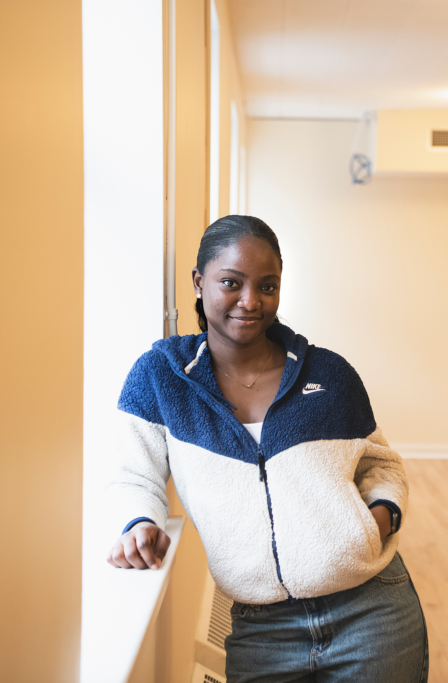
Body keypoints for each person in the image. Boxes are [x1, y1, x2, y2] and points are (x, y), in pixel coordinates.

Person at [105, 216, 428, 682]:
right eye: (231, 283)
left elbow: (381, 464)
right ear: (198, 282)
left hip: (371, 613)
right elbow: (133, 474)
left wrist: (375, 523)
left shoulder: (330, 374)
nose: (250, 301)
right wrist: (140, 522)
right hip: (262, 632)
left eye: (267, 286)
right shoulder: (163, 376)